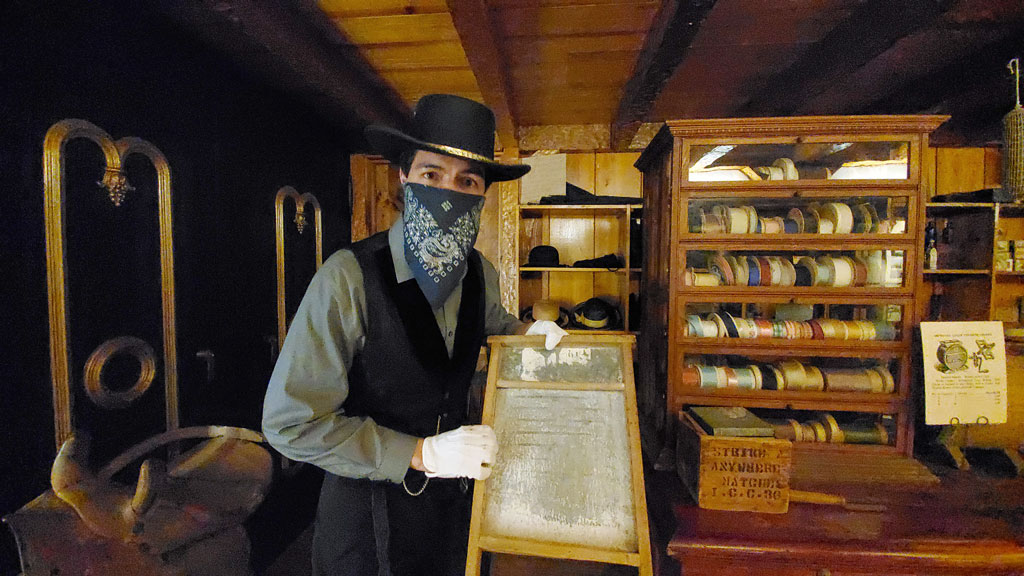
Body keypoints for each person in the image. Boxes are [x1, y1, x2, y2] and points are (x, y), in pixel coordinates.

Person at [262, 94, 567, 576]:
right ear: (404, 178)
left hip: (454, 514)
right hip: (367, 522)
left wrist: (530, 333)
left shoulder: (478, 272)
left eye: (467, 180)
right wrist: (421, 453)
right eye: (432, 174)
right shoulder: (347, 277)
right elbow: (289, 424)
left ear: (483, 193)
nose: (450, 191)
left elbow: (491, 324)